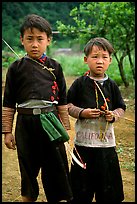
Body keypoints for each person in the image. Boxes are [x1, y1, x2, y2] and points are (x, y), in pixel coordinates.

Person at [2, 14, 73, 203]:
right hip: (25, 124)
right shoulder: (15, 68)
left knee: (55, 168)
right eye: (29, 39)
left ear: (48, 40)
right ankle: (28, 197)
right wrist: (7, 131)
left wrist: (64, 128)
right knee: (27, 167)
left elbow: (63, 100)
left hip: (50, 121)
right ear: (21, 40)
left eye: (40, 39)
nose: (35, 44)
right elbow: (8, 103)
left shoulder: (55, 67)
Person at [67, 37, 126, 203]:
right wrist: (82, 112)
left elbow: (121, 108)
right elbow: (67, 105)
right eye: (95, 57)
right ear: (86, 60)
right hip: (83, 146)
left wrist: (113, 115)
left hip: (106, 146)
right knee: (80, 192)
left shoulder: (112, 85)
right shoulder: (79, 84)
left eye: (104, 57)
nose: (99, 61)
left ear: (110, 60)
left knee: (108, 192)